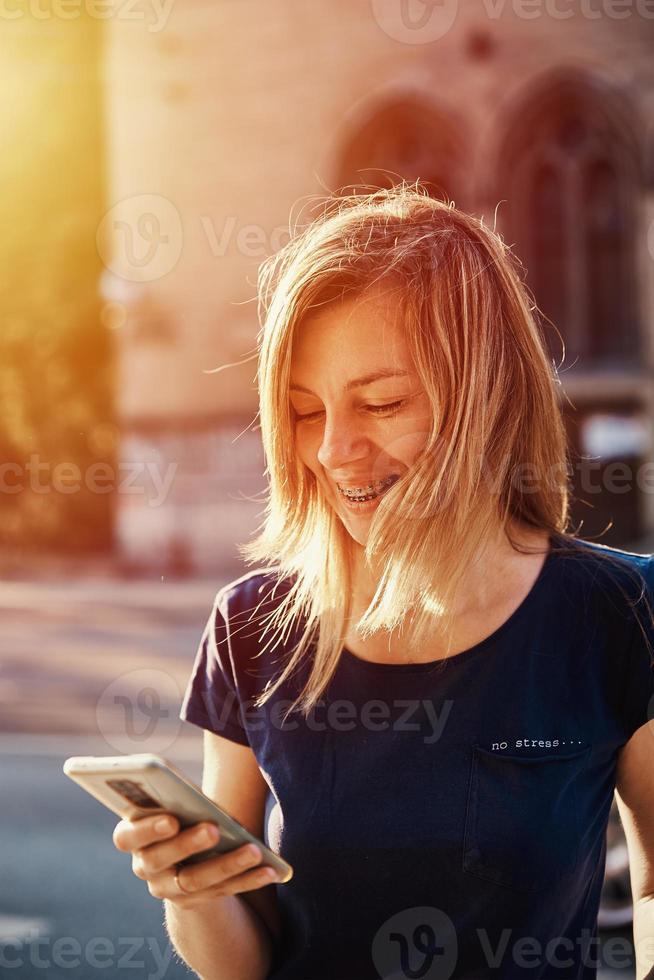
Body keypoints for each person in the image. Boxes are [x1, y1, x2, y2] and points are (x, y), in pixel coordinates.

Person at [112, 183, 654, 980]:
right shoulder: (250, 628)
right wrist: (188, 891)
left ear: (485, 396)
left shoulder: (624, 615)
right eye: (304, 411)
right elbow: (239, 964)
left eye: (383, 402)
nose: (333, 451)